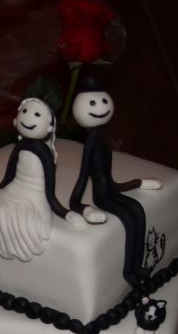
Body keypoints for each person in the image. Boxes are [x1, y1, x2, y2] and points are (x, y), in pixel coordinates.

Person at [68, 76, 162, 284]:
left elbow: (110, 178)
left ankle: (138, 265)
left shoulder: (102, 139)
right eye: (93, 103)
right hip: (102, 197)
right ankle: (128, 271)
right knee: (127, 218)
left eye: (103, 101)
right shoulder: (91, 142)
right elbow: (83, 177)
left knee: (138, 210)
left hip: (111, 190)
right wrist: (83, 207)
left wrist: (138, 183)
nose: (100, 107)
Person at [0, 98, 86, 261]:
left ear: (49, 127)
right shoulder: (20, 146)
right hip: (15, 188)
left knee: (27, 224)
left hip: (35, 194)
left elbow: (49, 191)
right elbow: (8, 177)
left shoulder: (44, 152)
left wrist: (66, 214)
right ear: (15, 120)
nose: (28, 117)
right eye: (24, 111)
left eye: (37, 114)